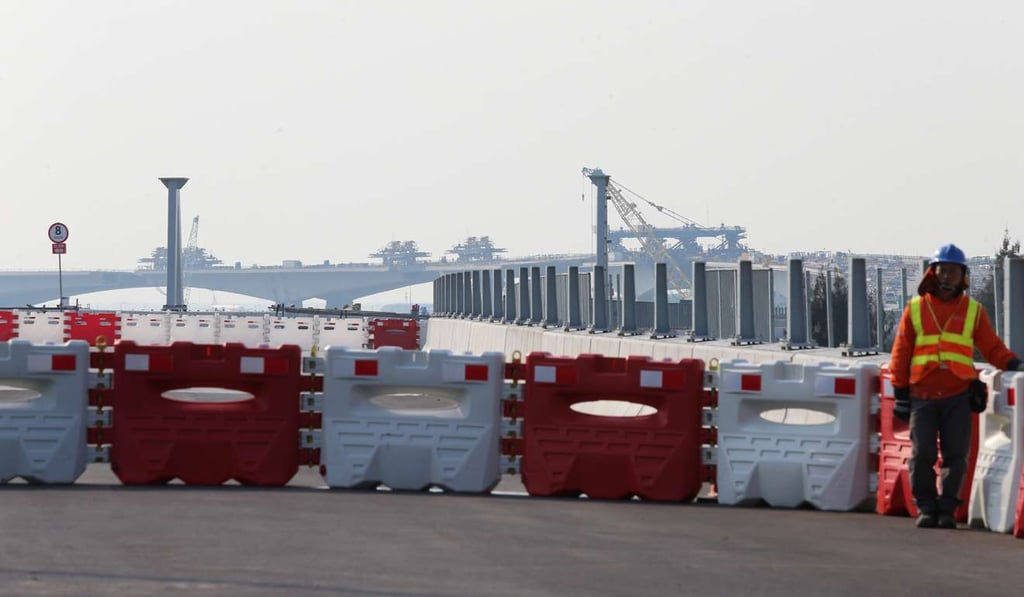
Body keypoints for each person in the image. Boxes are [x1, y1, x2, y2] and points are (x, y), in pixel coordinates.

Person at [890, 243, 1024, 529]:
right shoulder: (915, 308)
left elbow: (992, 347)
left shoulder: (973, 311)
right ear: (933, 273)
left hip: (957, 394)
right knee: (922, 453)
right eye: (942, 271)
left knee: (956, 455)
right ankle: (926, 507)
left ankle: (947, 509)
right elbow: (901, 352)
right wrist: (900, 393)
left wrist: (1013, 364)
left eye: (952, 271)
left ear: (962, 275)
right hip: (922, 394)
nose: (947, 277)